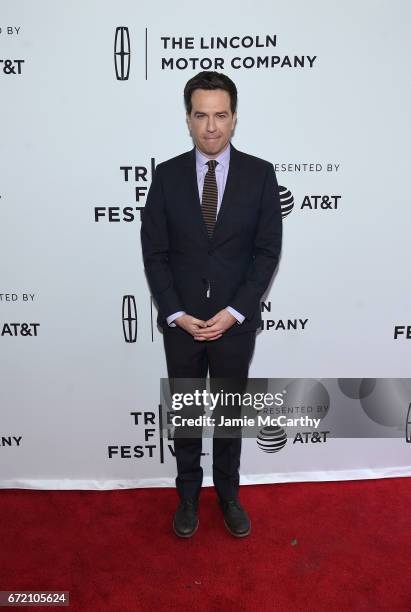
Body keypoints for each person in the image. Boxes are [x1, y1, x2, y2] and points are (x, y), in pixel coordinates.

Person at [141, 71, 282, 538]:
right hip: (182, 324)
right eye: (201, 115)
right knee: (185, 417)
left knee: (226, 416)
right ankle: (186, 498)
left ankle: (228, 495)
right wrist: (177, 313)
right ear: (188, 119)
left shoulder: (261, 175)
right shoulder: (165, 177)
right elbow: (155, 253)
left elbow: (266, 253)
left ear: (235, 119)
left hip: (234, 325)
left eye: (221, 115)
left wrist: (235, 311)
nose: (211, 126)